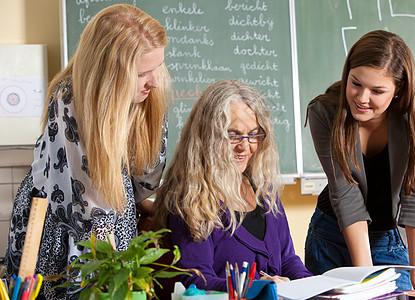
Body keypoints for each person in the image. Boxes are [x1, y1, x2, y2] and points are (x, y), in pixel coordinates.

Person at [4, 4, 171, 299]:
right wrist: (115, 273)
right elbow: (88, 211)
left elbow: (143, 178)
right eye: (143, 72)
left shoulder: (147, 93)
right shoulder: (70, 101)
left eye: (157, 67)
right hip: (64, 228)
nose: (155, 81)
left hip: (111, 215)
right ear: (109, 72)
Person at [305, 30, 415, 291]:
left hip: (389, 240)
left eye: (377, 90)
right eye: (355, 83)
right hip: (330, 236)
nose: (362, 98)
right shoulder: (324, 112)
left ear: (398, 90)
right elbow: (345, 194)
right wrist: (364, 279)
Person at [153, 80, 312, 292]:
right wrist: (255, 288)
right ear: (207, 136)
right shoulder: (190, 200)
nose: (245, 146)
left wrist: (314, 285)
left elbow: (288, 260)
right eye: (233, 135)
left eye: (254, 134)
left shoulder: (265, 191)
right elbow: (197, 282)